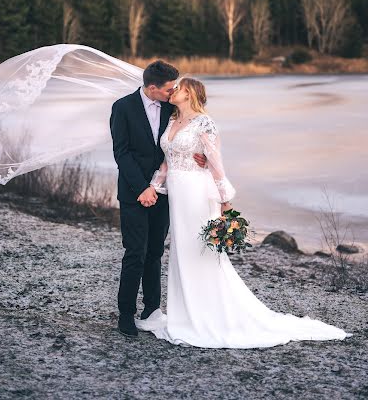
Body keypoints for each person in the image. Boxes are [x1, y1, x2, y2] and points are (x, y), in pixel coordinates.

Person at [134, 77, 352, 348]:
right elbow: (167, 162)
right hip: (178, 195)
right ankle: (184, 313)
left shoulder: (205, 123)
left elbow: (216, 163)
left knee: (201, 250)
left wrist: (226, 200)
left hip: (198, 194)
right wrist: (154, 186)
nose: (174, 90)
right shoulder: (171, 121)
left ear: (190, 93)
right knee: (181, 251)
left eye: (179, 87)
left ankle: (209, 315)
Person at [109, 61, 206, 337]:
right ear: (152, 88)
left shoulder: (171, 108)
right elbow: (122, 153)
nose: (173, 91)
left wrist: (198, 157)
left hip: (164, 193)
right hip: (133, 192)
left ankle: (151, 310)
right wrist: (142, 187)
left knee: (154, 253)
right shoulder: (122, 108)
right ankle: (125, 314)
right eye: (168, 88)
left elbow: (183, 140)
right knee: (135, 253)